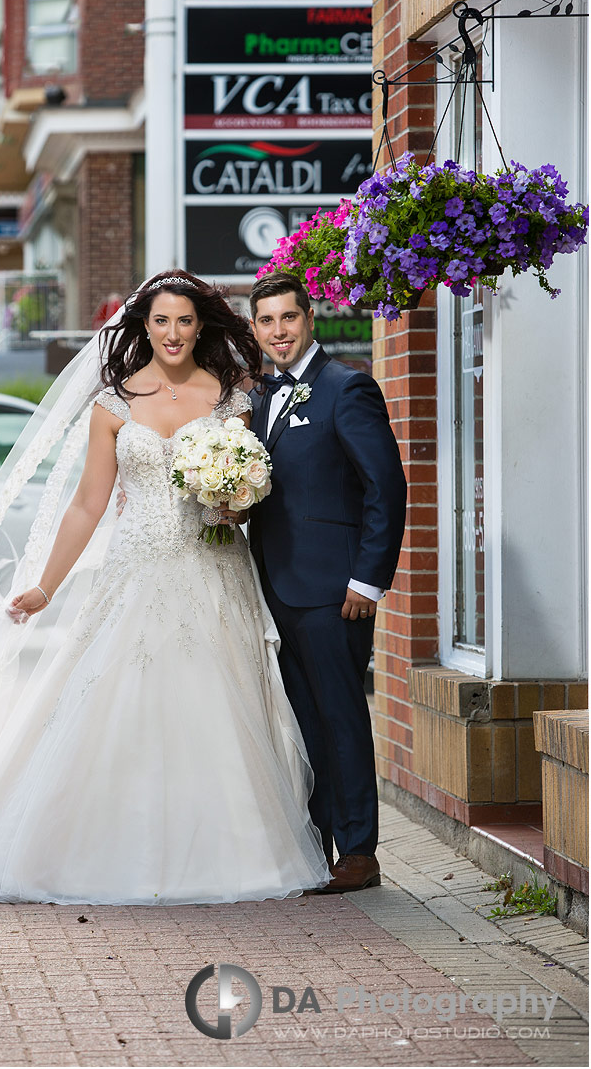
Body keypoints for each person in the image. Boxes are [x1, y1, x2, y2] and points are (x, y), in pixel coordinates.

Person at [0, 271, 330, 909]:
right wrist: (44, 586)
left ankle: (232, 850)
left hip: (213, 569)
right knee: (119, 704)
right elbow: (89, 506)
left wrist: (232, 503)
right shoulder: (114, 403)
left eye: (185, 322)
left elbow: (251, 496)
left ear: (202, 327)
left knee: (217, 705)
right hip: (136, 570)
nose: (173, 334)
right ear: (143, 326)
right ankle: (99, 850)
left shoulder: (232, 398)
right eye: (161, 321)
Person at [247, 271, 407, 894]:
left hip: (335, 591)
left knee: (341, 718)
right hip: (277, 588)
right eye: (266, 322)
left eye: (288, 318)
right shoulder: (259, 396)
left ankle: (360, 851)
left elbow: (385, 488)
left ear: (308, 317)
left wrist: (368, 580)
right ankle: (318, 847)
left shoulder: (347, 388)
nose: (278, 332)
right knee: (304, 723)